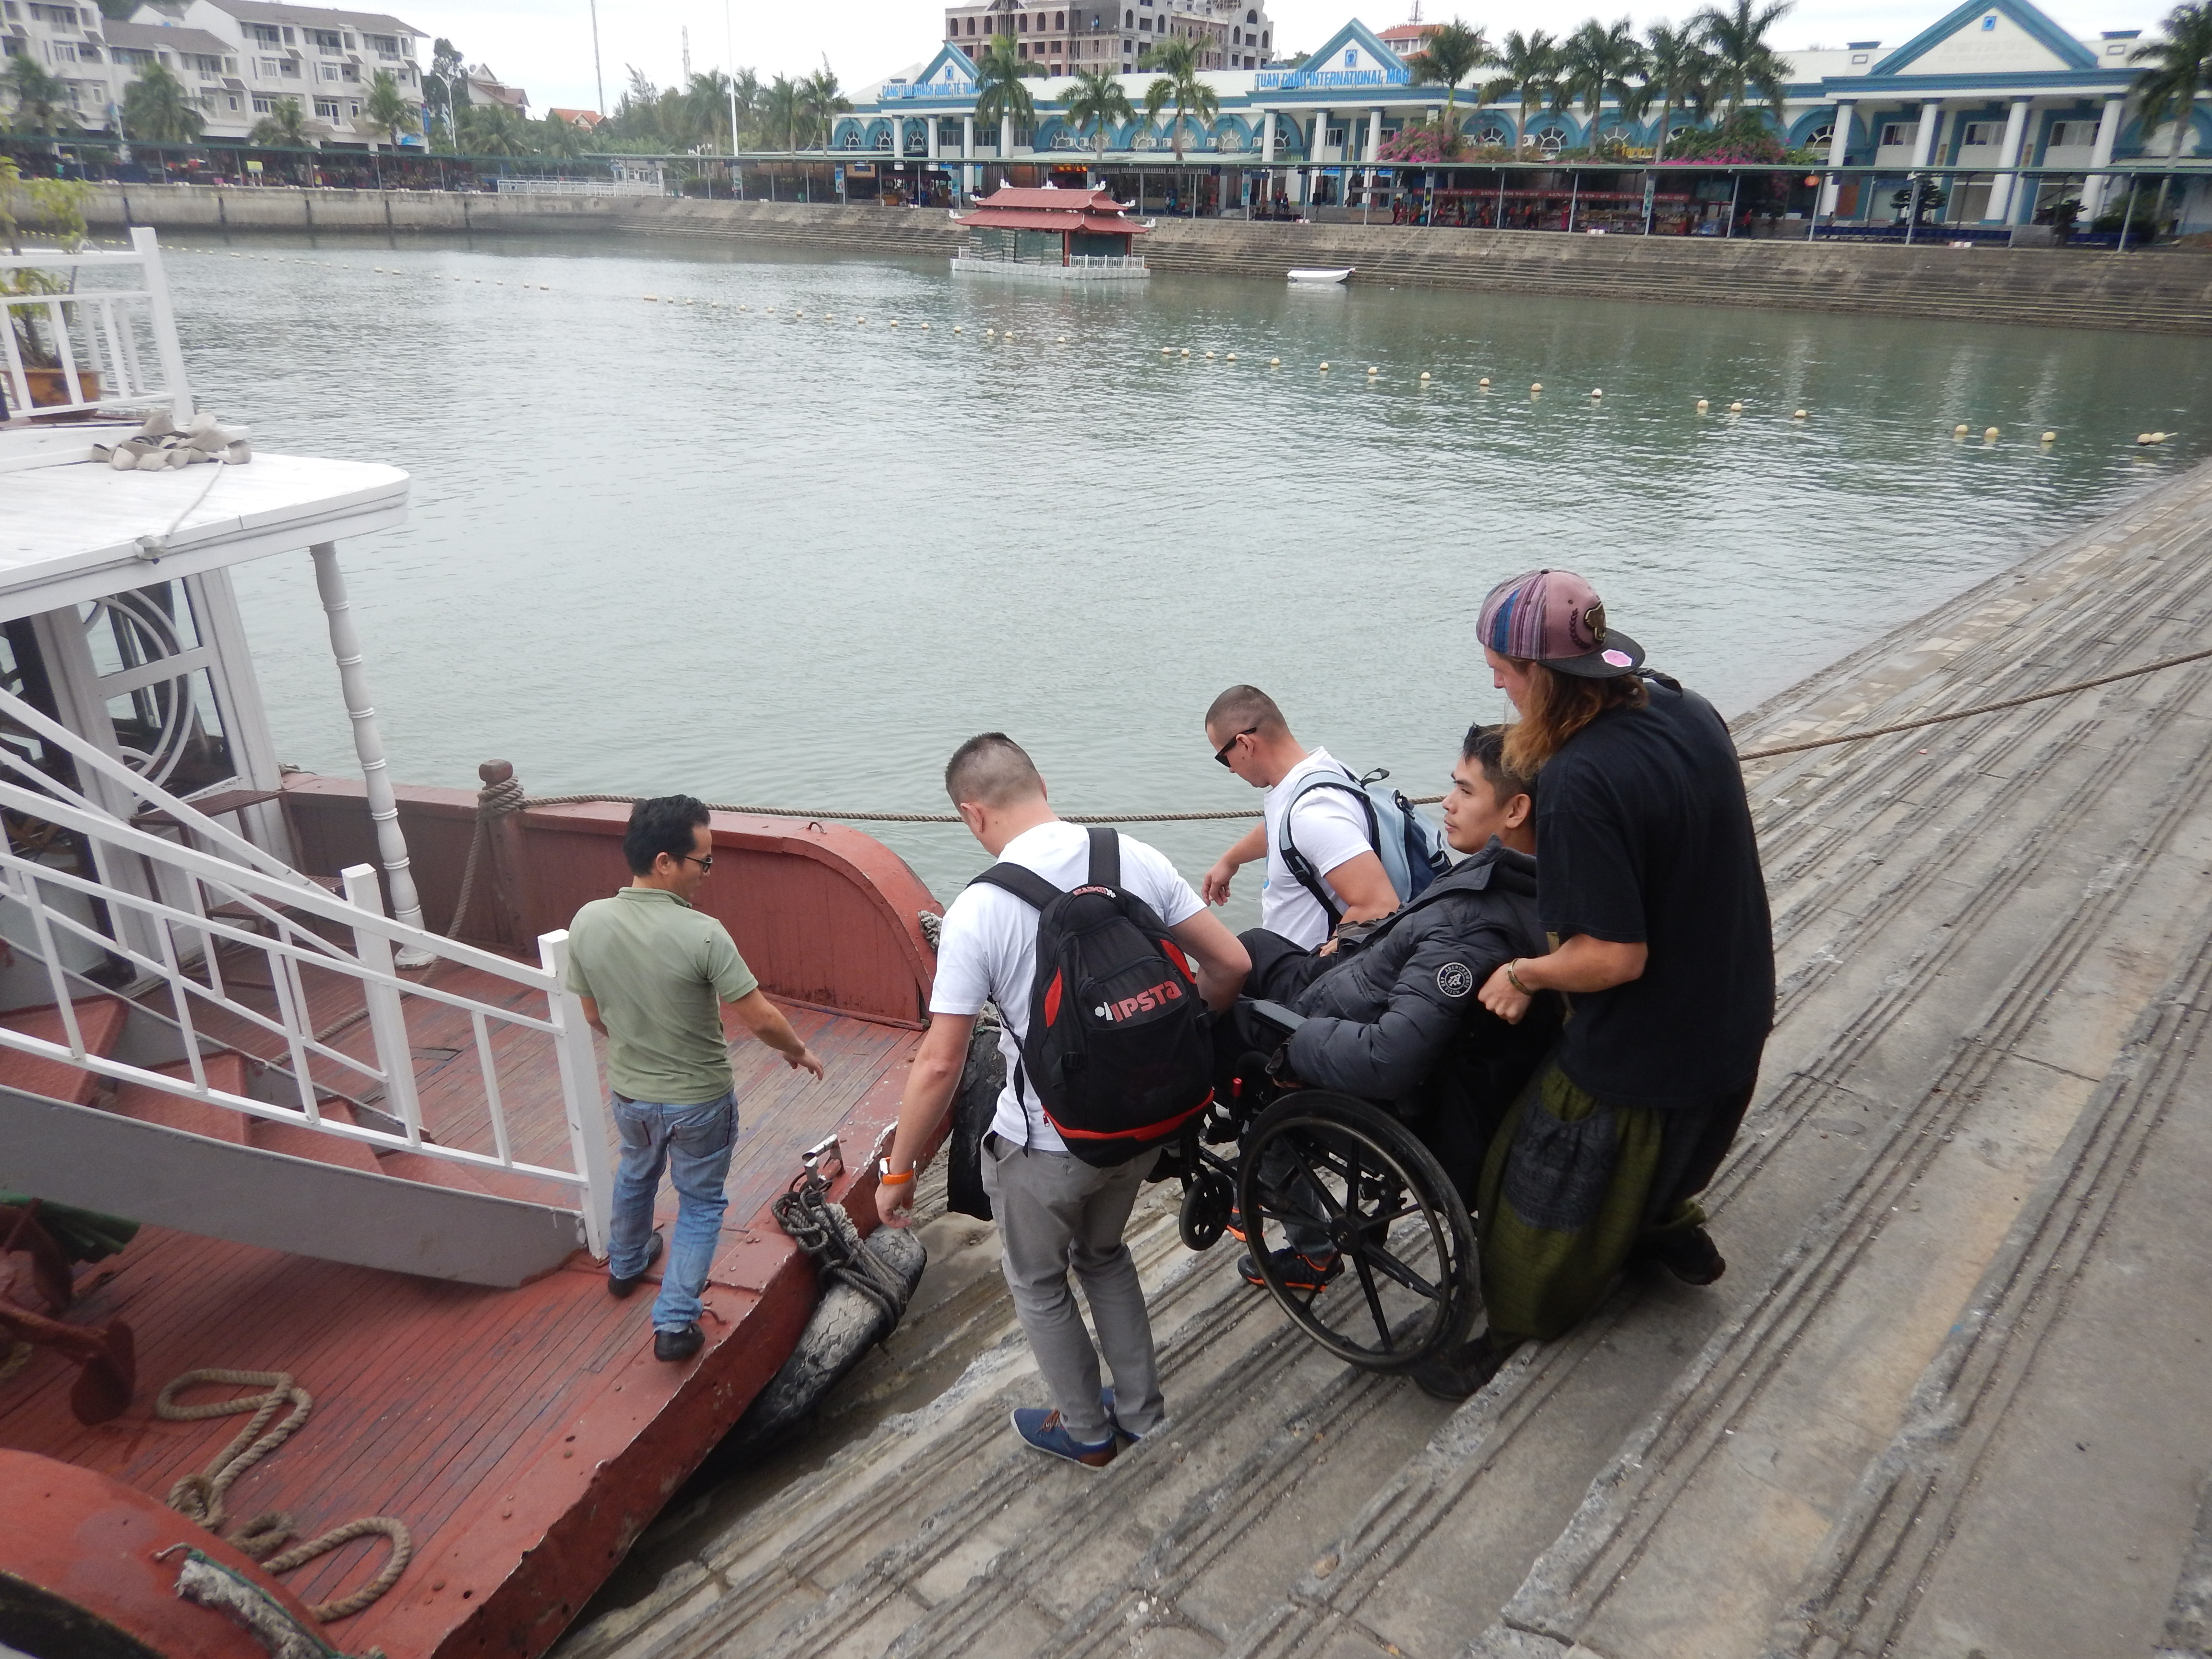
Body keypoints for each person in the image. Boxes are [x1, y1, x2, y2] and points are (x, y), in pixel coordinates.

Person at [1420, 569, 1774, 1399]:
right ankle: (1662, 1227)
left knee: (1530, 1172)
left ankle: (1512, 1325)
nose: (1496, 685)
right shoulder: (1683, 708)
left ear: (1542, 676)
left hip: (1652, 1050)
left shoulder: (1578, 782)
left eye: (1503, 671)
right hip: (1737, 1007)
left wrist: (1522, 972)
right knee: (1654, 1160)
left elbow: (1612, 959)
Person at [877, 734, 1249, 1467]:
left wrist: (897, 1175)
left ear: (971, 814)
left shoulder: (979, 909)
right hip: (1145, 1126)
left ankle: (1085, 1432)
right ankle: (1143, 1417)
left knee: (1040, 1280)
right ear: (1041, 783)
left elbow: (940, 1063)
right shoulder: (1132, 857)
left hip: (1046, 1142)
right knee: (1105, 1256)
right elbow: (1230, 963)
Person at [1220, 724, 1560, 1292]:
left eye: (1466, 792)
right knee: (1246, 949)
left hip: (1346, 1037)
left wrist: (1295, 1047)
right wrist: (1351, 942)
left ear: (1516, 809)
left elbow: (1388, 1058)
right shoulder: (1516, 874)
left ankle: (1302, 1234)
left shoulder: (1471, 932)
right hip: (1354, 978)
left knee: (1230, 1032)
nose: (1447, 804)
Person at [565, 796, 825, 1363]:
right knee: (702, 1204)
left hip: (631, 1092)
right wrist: (798, 1051)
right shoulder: (703, 935)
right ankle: (676, 1324)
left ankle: (626, 1266)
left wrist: (639, 1048)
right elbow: (758, 1017)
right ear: (665, 862)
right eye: (702, 862)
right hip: (699, 1101)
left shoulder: (588, 920)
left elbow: (591, 1014)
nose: (708, 873)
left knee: (636, 1172)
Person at [1202, 685, 1401, 952]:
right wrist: (1231, 860)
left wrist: (1322, 965)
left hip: (1305, 976)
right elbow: (1286, 826)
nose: (1231, 770)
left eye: (1224, 758)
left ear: (1245, 743)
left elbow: (1378, 905)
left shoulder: (1314, 812)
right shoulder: (1324, 772)